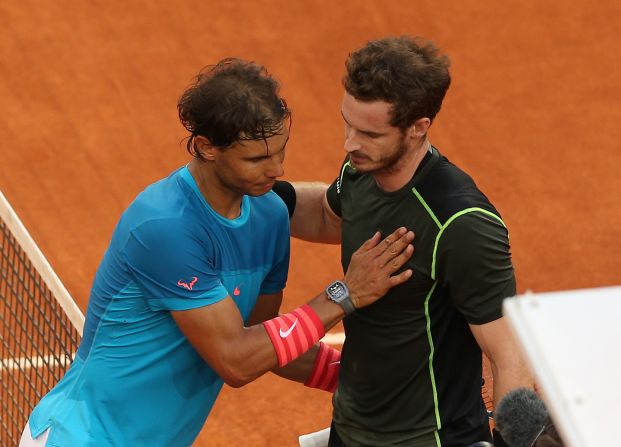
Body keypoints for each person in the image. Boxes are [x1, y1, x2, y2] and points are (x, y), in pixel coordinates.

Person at [20, 58, 415, 447]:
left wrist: (354, 380)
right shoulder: (164, 227)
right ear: (207, 148)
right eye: (257, 159)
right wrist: (344, 294)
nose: (276, 168)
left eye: (280, 151)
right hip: (81, 437)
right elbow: (237, 360)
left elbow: (266, 342)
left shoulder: (270, 216)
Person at [273, 36, 535, 446]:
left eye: (370, 133)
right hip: (352, 428)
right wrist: (254, 193)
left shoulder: (461, 223)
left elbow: (508, 354)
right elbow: (328, 214)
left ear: (418, 128)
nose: (350, 143)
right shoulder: (362, 170)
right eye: (348, 124)